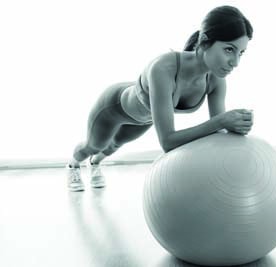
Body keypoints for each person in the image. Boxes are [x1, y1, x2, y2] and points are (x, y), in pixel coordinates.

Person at [67, 5, 254, 191]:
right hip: (113, 108)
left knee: (113, 146)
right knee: (93, 146)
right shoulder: (163, 68)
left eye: (241, 53)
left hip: (144, 119)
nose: (236, 62)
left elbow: (218, 132)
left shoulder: (216, 80)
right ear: (205, 42)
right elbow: (168, 142)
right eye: (229, 50)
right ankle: (73, 165)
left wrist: (236, 125)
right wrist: (221, 121)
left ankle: (95, 164)